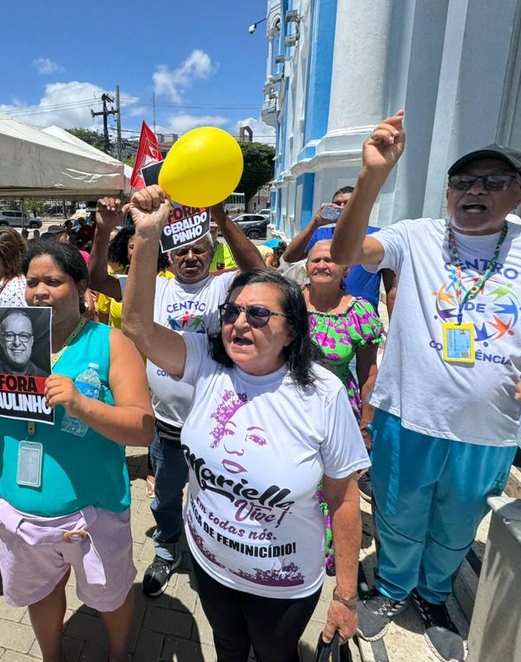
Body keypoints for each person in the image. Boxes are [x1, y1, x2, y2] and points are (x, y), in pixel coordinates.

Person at [332, 113, 521, 661]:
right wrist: (373, 175)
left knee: (458, 522)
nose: (475, 191)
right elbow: (347, 251)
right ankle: (392, 588)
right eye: (464, 182)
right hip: (408, 417)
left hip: (492, 429)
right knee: (398, 512)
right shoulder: (415, 236)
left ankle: (434, 594)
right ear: (448, 192)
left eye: (494, 182)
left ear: (519, 192)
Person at [121, 187, 368, 661]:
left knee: (275, 654)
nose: (239, 322)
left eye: (258, 314)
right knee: (228, 646)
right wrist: (148, 235)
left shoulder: (323, 393)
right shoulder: (205, 360)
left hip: (283, 581)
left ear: (291, 328)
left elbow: (344, 497)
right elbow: (137, 326)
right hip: (209, 564)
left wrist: (346, 594)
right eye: (232, 311)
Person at [0, 238, 154, 662]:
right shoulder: (5, 341)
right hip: (20, 512)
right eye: (32, 281)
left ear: (81, 288)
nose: (40, 291)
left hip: (92, 512)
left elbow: (143, 429)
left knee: (110, 596)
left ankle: (118, 655)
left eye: (54, 282)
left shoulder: (110, 343)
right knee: (41, 593)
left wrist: (82, 404)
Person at [89, 196, 267, 597]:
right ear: (168, 256)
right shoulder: (153, 288)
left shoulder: (226, 286)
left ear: (212, 252)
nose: (190, 257)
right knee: (166, 495)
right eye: (182, 250)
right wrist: (103, 230)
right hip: (167, 427)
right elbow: (96, 280)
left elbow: (259, 272)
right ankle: (167, 549)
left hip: (219, 426)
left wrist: (220, 215)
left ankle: (216, 555)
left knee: (222, 496)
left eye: (199, 249)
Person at [283, 186, 397, 312]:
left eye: (348, 203)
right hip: (320, 314)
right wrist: (314, 223)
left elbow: (392, 287)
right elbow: (289, 257)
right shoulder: (320, 234)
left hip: (360, 315)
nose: (341, 207)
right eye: (337, 204)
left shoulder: (377, 237)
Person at [304, 240, 383, 422]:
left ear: (346, 269)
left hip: (336, 409)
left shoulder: (359, 313)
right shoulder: (288, 301)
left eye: (329, 260)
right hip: (288, 406)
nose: (321, 266)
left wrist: (366, 423)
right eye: (315, 260)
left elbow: (368, 373)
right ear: (307, 268)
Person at [0, 309, 49, 377]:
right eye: (10, 335)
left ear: (31, 341)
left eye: (24, 336)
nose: (17, 343)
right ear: (1, 340)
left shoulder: (45, 378)